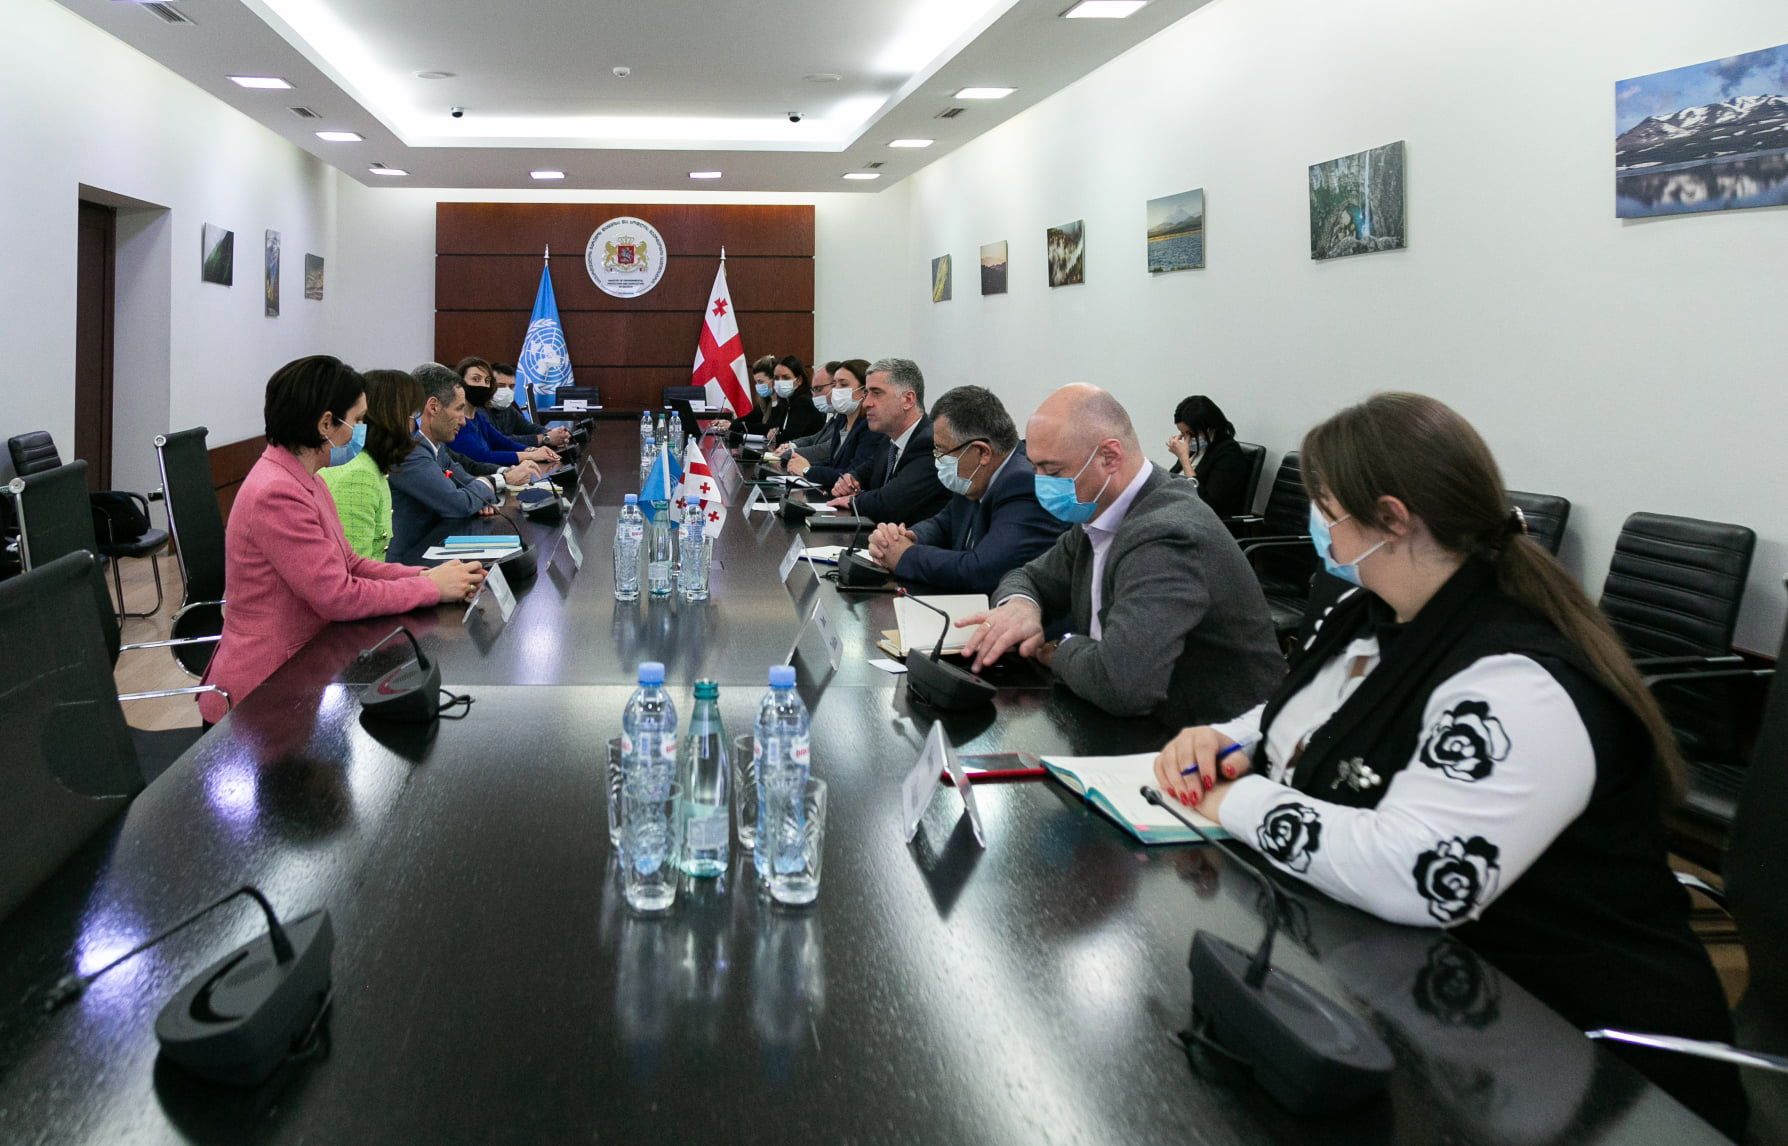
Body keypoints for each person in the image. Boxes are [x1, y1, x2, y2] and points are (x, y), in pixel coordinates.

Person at [1149, 392, 1745, 1138]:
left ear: (1392, 519)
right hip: (1412, 994)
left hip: (1581, 1062)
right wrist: (1220, 742)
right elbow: (1293, 716)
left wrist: (1229, 801)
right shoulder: (1369, 612)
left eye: (1327, 511)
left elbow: (1414, 872)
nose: (1319, 528)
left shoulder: (1519, 684)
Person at [959, 383, 1283, 723]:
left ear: (1110, 457)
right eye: (1035, 468)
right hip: (1130, 720)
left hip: (1210, 737)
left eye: (1052, 471)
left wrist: (1061, 647)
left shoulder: (1167, 534)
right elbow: (1028, 577)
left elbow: (1122, 684)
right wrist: (1022, 606)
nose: (1040, 483)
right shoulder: (1100, 512)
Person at [197, 356, 483, 723]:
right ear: (325, 424)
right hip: (265, 693)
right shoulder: (276, 492)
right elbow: (337, 596)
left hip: (303, 675)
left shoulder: (307, 478)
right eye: (358, 420)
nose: (362, 431)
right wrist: (430, 589)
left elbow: (350, 563)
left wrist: (424, 576)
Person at [866, 385, 1065, 594]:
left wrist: (905, 556)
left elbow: (981, 570)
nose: (937, 459)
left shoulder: (1023, 484)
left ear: (982, 452)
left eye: (942, 451)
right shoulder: (976, 476)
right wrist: (907, 537)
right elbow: (944, 523)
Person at [389, 364, 509, 564]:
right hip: (408, 564)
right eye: (459, 409)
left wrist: (480, 495)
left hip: (433, 551)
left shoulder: (435, 446)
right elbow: (459, 504)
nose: (463, 421)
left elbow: (466, 481)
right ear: (433, 407)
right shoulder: (409, 452)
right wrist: (485, 486)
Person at [824, 357, 950, 526]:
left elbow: (890, 502)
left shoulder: (931, 444)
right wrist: (849, 480)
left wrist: (854, 501)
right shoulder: (888, 439)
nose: (866, 403)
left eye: (876, 393)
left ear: (908, 400)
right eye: (866, 393)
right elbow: (863, 473)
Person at [318, 368, 420, 560]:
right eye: (414, 415)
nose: (417, 424)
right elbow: (354, 569)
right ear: (395, 418)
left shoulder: (371, 465)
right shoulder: (358, 475)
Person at [450, 356, 559, 469]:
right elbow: (480, 457)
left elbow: (501, 442)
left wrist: (532, 450)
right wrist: (530, 455)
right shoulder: (455, 421)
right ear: (460, 383)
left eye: (487, 381)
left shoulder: (478, 417)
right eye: (476, 379)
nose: (483, 385)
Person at [788, 359, 876, 480]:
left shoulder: (870, 426)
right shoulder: (841, 420)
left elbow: (853, 474)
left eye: (843, 385)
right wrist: (802, 465)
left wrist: (807, 470)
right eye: (834, 385)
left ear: (864, 390)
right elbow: (833, 463)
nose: (836, 390)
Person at [1167, 394, 1252, 519]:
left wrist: (1184, 460)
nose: (1186, 439)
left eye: (1190, 433)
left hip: (1203, 522)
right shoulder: (1194, 448)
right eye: (1182, 433)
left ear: (1209, 428)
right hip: (1177, 513)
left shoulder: (1228, 453)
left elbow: (1208, 506)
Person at [487, 361, 571, 449]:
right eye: (500, 386)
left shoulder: (507, 408)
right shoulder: (480, 412)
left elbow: (527, 427)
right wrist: (545, 438)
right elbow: (498, 441)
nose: (507, 390)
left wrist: (552, 434)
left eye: (511, 386)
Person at [763, 356, 827, 445]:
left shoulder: (804, 402)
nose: (780, 382)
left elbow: (791, 437)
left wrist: (776, 437)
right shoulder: (786, 402)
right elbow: (773, 427)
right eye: (776, 378)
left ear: (799, 380)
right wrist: (773, 433)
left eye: (785, 377)